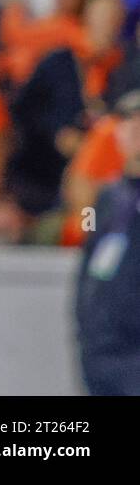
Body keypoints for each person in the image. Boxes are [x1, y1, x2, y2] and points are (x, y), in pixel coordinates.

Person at [75, 89, 140, 395]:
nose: (136, 129)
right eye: (128, 121)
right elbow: (90, 268)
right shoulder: (111, 196)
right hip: (101, 349)